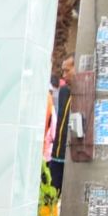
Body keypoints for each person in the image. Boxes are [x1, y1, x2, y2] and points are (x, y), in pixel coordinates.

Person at [47, 56, 74, 192]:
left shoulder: (85, 92)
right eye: (62, 72)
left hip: (74, 158)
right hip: (57, 155)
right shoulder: (63, 91)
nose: (64, 76)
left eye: (67, 71)